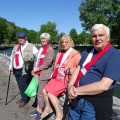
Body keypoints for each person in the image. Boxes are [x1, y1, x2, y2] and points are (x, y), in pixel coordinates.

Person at [68, 24, 120, 120]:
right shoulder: (88, 51)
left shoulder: (114, 55)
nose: (97, 38)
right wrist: (70, 86)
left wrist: (75, 91)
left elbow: (103, 85)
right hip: (76, 100)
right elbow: (78, 69)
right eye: (94, 36)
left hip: (93, 104)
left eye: (101, 35)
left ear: (108, 37)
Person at [41, 35, 81, 120]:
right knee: (44, 91)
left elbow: (80, 69)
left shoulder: (75, 54)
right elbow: (56, 66)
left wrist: (69, 71)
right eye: (62, 42)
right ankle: (48, 108)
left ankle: (59, 114)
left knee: (51, 94)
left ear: (70, 43)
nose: (64, 44)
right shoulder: (60, 53)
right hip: (56, 77)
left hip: (65, 80)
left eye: (66, 42)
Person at [8, 32, 38, 108]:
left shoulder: (31, 46)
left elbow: (37, 57)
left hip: (25, 70)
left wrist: (35, 67)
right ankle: (22, 98)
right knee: (19, 85)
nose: (20, 39)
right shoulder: (15, 47)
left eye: (22, 37)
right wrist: (10, 66)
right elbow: (12, 57)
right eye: (19, 38)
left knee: (23, 84)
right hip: (16, 70)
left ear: (26, 38)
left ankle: (24, 100)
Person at [30, 33, 55, 120]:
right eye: (42, 39)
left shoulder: (50, 50)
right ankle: (37, 109)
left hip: (45, 75)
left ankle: (40, 111)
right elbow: (36, 60)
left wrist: (37, 69)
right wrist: (34, 69)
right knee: (38, 93)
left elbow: (47, 63)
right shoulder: (41, 48)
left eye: (45, 39)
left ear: (48, 40)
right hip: (38, 73)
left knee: (41, 93)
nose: (43, 40)